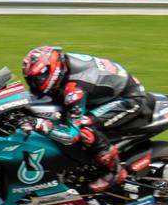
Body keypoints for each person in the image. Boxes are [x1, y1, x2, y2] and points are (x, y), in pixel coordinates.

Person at [19, 46, 148, 193]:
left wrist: (42, 126)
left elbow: (72, 135)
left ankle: (114, 171)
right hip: (104, 93)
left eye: (36, 79)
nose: (33, 84)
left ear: (50, 72)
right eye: (29, 79)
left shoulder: (75, 88)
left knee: (84, 127)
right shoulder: (61, 67)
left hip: (128, 99)